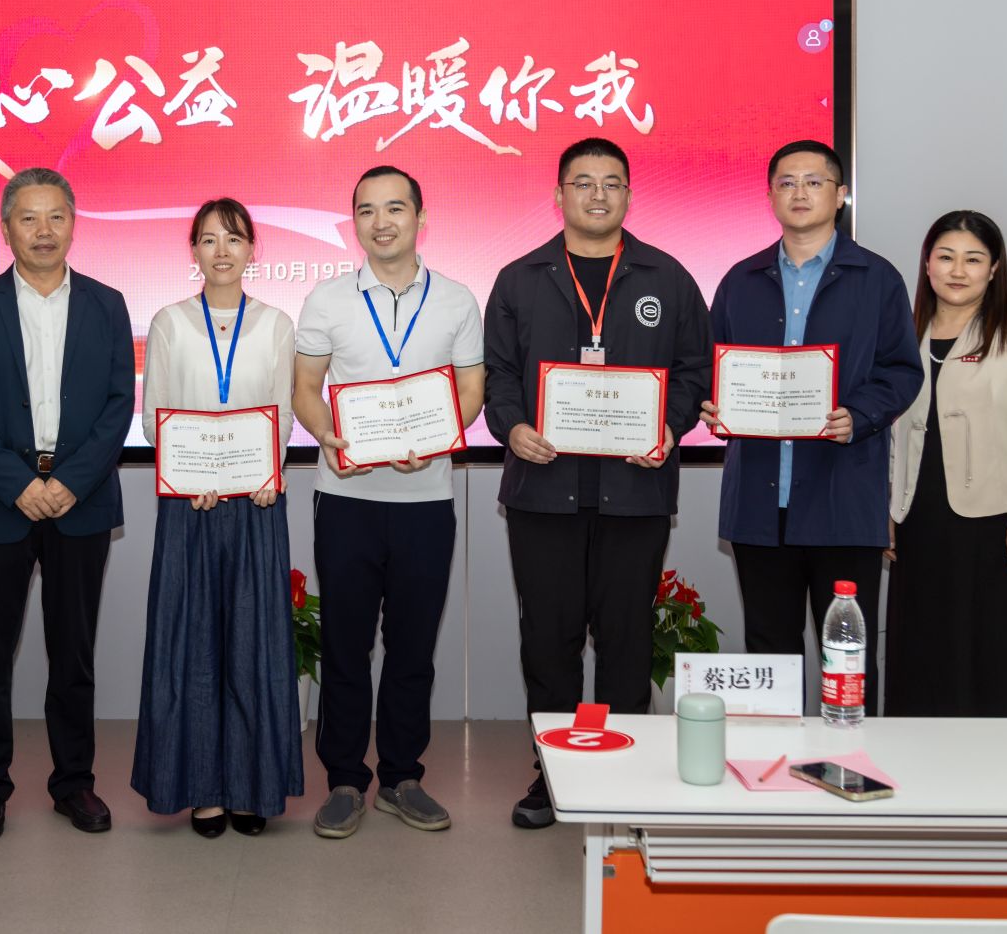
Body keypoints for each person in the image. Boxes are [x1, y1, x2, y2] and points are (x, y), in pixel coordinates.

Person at [483, 137, 710, 828]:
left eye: (612, 183)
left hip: (634, 495)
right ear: (559, 196)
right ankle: (556, 775)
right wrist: (512, 427)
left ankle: (624, 777)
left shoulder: (668, 278)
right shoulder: (519, 279)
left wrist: (669, 426)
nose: (598, 195)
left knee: (626, 641)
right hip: (543, 491)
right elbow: (499, 375)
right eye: (583, 182)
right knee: (548, 644)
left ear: (629, 196)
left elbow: (694, 370)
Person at [293, 165, 486, 840]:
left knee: (412, 647)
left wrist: (436, 441)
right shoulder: (327, 299)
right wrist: (327, 434)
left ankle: (403, 776)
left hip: (426, 499)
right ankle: (345, 780)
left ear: (420, 219)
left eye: (395, 208)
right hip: (345, 496)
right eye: (367, 210)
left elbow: (472, 388)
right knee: (345, 645)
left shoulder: (457, 299)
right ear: (354, 223)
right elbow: (306, 387)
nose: (382, 223)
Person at [0, 168, 134, 842]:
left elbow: (119, 404)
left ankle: (73, 783)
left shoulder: (108, 304)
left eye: (56, 216)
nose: (44, 230)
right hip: (1, 502)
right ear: (6, 229)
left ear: (73, 224)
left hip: (80, 500)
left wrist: (71, 482)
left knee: (73, 654)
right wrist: (17, 484)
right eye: (29, 217)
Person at [701, 140, 922, 715]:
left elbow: (902, 370)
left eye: (814, 181)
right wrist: (715, 405)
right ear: (770, 195)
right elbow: (711, 367)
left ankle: (849, 760)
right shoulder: (740, 280)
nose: (800, 193)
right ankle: (777, 763)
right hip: (759, 499)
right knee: (768, 649)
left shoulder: (878, 279)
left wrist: (861, 415)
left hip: (842, 495)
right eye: (787, 182)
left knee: (845, 654)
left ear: (840, 194)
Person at [131, 198, 304, 836]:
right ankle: (202, 788)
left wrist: (266, 472)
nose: (222, 251)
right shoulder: (170, 322)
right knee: (192, 646)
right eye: (208, 240)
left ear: (252, 249)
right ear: (194, 251)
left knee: (255, 645)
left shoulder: (277, 323)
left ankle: (252, 789)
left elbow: (280, 412)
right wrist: (191, 476)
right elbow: (156, 416)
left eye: (233, 239)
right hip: (190, 506)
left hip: (258, 504)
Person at [884, 210, 1007, 717]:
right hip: (917, 517)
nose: (958, 270)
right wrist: (886, 509)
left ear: (994, 268)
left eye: (974, 259)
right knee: (925, 649)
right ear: (927, 264)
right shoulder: (902, 335)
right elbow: (889, 434)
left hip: (998, 521)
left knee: (995, 652)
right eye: (946, 257)